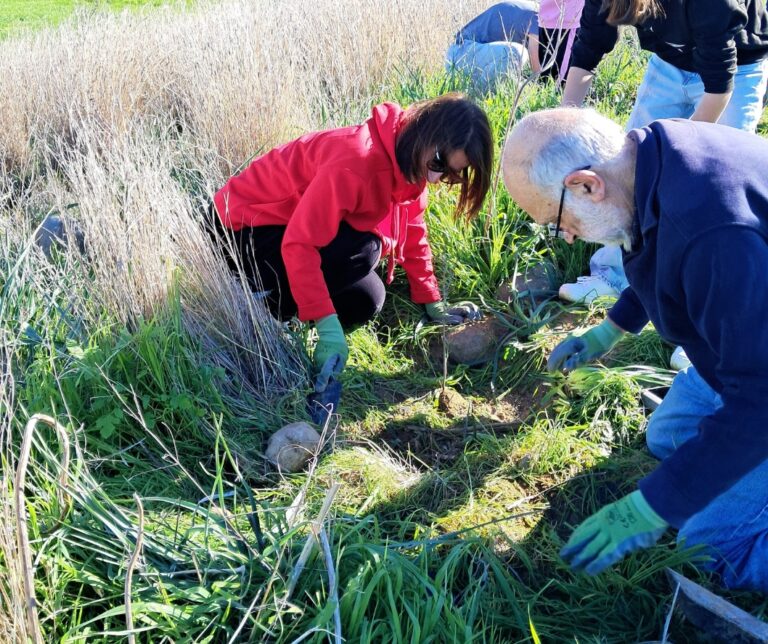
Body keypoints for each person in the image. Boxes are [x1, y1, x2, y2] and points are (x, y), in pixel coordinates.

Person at [501, 107, 768, 591]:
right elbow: (654, 251)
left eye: (555, 219)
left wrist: (651, 505)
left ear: (586, 185)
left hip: (761, 381)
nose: (565, 234)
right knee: (668, 437)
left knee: (713, 547)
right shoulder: (645, 159)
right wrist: (609, 331)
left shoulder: (714, 233)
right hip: (750, 340)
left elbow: (761, 401)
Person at [210, 93, 493, 384]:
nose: (435, 179)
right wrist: (325, 323)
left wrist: (432, 300)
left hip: (287, 231)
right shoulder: (355, 162)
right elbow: (300, 244)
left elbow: (413, 230)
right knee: (365, 249)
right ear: (424, 132)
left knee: (367, 299)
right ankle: (261, 305)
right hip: (240, 231)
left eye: (451, 173)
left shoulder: (412, 164)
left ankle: (290, 309)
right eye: (437, 163)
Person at [556, 0, 768, 370]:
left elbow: (719, 87)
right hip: (669, 66)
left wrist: (675, 164)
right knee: (627, 175)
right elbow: (589, 47)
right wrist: (561, 127)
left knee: (712, 196)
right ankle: (614, 275)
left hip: (736, 68)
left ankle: (706, 327)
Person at [445, 1, 540, 91]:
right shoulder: (540, 16)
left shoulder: (539, 10)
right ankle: (478, 94)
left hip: (470, 56)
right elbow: (535, 62)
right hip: (462, 55)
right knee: (516, 53)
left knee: (519, 75)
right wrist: (540, 85)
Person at [532, 0, 585, 83]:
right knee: (560, 78)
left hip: (546, 18)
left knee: (546, 73)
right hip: (567, 20)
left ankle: (546, 93)